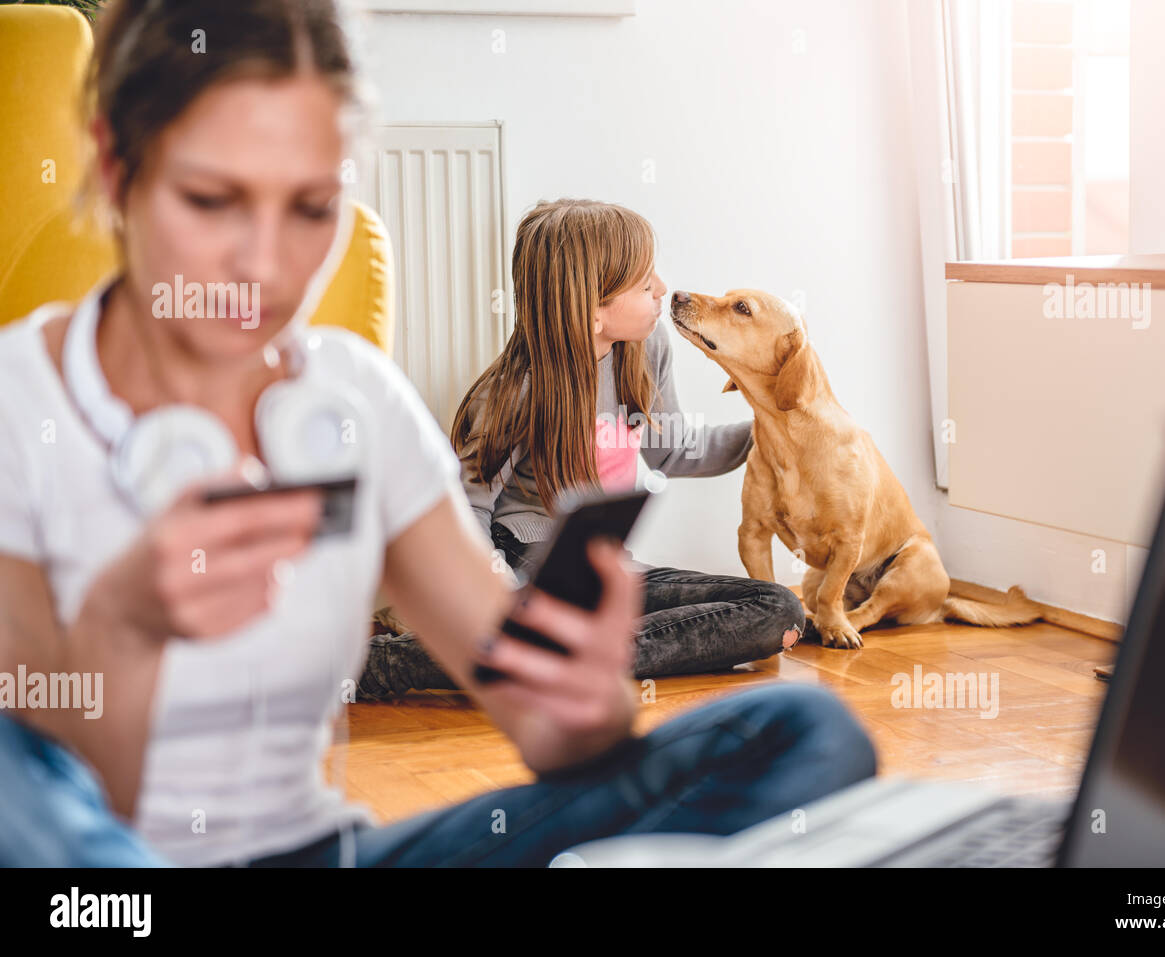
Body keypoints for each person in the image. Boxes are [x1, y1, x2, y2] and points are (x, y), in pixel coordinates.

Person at [0, 0, 876, 867]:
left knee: (802, 731)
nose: (264, 264)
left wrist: (583, 689)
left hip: (325, 855)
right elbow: (57, 807)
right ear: (116, 165)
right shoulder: (18, 405)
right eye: (211, 199)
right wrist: (121, 626)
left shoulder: (351, 399)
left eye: (310, 206)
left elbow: (540, 715)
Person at [360, 199, 808, 699]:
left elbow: (676, 452)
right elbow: (466, 516)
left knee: (779, 610)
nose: (662, 289)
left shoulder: (647, 348)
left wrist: (776, 426)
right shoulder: (515, 390)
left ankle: (545, 659)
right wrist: (506, 608)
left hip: (608, 571)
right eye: (644, 284)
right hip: (525, 567)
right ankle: (387, 665)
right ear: (593, 310)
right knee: (526, 634)